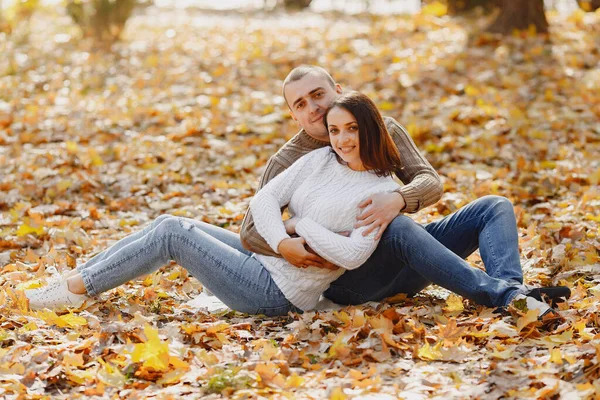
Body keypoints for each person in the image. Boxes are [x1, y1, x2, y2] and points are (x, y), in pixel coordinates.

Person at [24, 92, 408, 315]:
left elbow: (354, 253)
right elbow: (264, 199)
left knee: (174, 235)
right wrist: (280, 241)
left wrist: (301, 227)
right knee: (167, 221)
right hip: (264, 262)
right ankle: (74, 282)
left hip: (277, 293)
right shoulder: (320, 159)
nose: (341, 139)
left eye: (351, 130)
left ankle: (77, 289)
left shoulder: (377, 190)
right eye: (335, 130)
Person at [239, 65, 570, 318]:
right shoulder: (289, 159)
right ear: (294, 115)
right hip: (350, 276)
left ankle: (514, 292)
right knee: (397, 227)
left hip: (404, 253)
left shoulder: (382, 130)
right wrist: (291, 244)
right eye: (301, 103)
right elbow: (252, 229)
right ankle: (506, 297)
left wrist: (397, 198)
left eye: (318, 94)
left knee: (493, 207)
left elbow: (430, 181)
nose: (313, 107)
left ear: (337, 90)